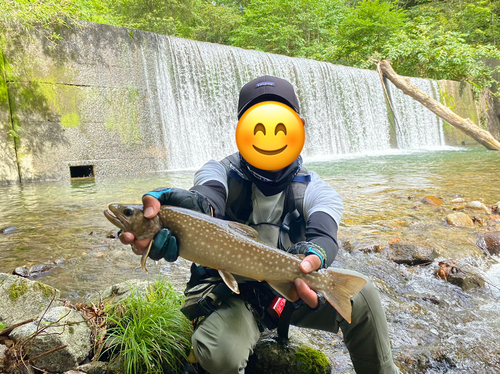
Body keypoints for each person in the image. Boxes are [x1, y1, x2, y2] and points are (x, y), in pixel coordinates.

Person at [120, 76, 399, 374]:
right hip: (233, 295)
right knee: (220, 356)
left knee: (364, 294)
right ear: (242, 130)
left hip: (290, 288)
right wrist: (194, 209)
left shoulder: (315, 188)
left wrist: (312, 256)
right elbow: (207, 196)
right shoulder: (218, 171)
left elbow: (324, 235)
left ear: (297, 126)